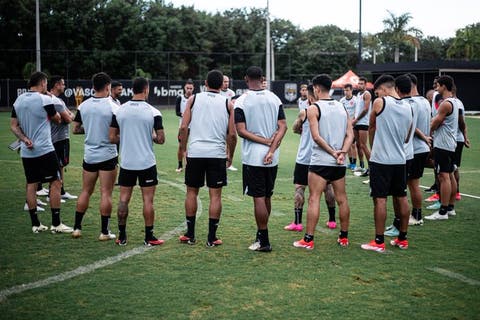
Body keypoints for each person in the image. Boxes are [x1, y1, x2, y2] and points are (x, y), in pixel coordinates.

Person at [293, 74, 353, 250]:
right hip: (339, 161)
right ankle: (343, 237)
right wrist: (342, 152)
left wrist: (333, 153)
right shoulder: (342, 106)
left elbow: (316, 137)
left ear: (317, 89)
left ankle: (308, 239)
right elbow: (350, 135)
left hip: (321, 160)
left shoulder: (314, 108)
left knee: (314, 199)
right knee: (342, 199)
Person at [178, 70, 237, 247]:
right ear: (222, 85)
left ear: (205, 83)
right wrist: (230, 155)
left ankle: (190, 234)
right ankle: (211, 237)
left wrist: (183, 150)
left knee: (191, 192)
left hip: (195, 152)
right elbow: (232, 134)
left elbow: (183, 128)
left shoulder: (193, 99)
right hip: (217, 154)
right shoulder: (228, 103)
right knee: (215, 196)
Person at [10, 71, 73, 233]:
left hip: (27, 150)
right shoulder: (45, 99)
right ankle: (56, 223)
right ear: (43, 83)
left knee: (31, 184)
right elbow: (58, 119)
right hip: (45, 148)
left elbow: (13, 126)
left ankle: (35, 224)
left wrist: (24, 139)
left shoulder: (18, 100)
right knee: (56, 182)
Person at [235, 66, 287, 252]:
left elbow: (241, 131)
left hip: (253, 157)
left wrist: (265, 142)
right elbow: (283, 127)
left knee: (258, 198)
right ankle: (260, 233)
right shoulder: (274, 98)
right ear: (262, 78)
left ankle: (263, 241)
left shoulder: (241, 101)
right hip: (272, 156)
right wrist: (271, 148)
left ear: (246, 78)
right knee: (267, 196)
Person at [109, 77, 165, 246]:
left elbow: (112, 137)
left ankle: (122, 236)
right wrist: (152, 135)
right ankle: (149, 237)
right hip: (146, 162)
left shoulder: (120, 110)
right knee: (148, 200)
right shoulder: (153, 112)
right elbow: (161, 139)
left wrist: (126, 136)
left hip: (127, 162)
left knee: (124, 199)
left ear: (132, 90)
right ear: (146, 89)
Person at [361, 74, 413, 253]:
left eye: (377, 92)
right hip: (400, 159)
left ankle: (379, 241)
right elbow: (407, 136)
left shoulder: (380, 103)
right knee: (401, 197)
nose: (377, 96)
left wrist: (374, 146)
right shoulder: (408, 106)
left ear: (383, 89)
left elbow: (371, 126)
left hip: (381, 160)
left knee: (380, 199)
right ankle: (402, 239)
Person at [71, 72, 119, 240]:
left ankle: (77, 228)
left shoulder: (83, 106)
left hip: (89, 155)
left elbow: (75, 129)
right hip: (107, 154)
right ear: (108, 87)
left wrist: (90, 129)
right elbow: (117, 132)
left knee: (86, 191)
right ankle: (104, 232)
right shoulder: (114, 107)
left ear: (93, 87)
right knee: (106, 193)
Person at [284, 84, 337, 232]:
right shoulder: (328, 111)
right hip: (324, 156)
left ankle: (298, 222)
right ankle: (332, 220)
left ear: (310, 96)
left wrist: (299, 124)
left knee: (300, 188)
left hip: (304, 157)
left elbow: (295, 128)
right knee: (327, 187)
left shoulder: (305, 112)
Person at [424, 75, 459, 221]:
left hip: (443, 144)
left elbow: (435, 122)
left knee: (443, 176)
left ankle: (443, 211)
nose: (436, 88)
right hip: (450, 143)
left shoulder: (446, 103)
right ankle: (450, 207)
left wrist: (427, 135)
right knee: (449, 175)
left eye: (438, 85)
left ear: (444, 86)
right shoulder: (455, 101)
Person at [407, 73, 432, 226]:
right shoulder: (424, 101)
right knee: (413, 183)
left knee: (413, 184)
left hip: (415, 147)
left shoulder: (411, 102)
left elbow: (411, 125)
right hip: (422, 147)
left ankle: (417, 216)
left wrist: (423, 138)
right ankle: (416, 214)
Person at [48, 75, 77, 200]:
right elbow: (69, 119)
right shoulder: (55, 101)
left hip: (59, 138)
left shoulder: (58, 100)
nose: (64, 86)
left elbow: (70, 115)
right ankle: (52, 193)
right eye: (63, 84)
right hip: (58, 138)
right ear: (57, 85)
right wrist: (70, 115)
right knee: (57, 166)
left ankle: (61, 191)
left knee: (60, 165)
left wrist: (69, 115)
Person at [453, 88, 470, 201]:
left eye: (437, 85)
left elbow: (461, 121)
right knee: (452, 168)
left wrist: (465, 137)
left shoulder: (456, 103)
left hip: (455, 140)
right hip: (455, 139)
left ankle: (456, 192)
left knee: (452, 168)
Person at [352, 77, 372, 177]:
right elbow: (357, 109)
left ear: (365, 85)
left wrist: (356, 119)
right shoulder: (358, 94)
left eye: (362, 84)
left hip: (363, 123)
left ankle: (372, 167)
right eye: (358, 83)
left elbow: (365, 110)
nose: (359, 85)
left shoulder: (366, 94)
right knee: (358, 145)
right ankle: (362, 165)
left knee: (364, 145)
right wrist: (353, 119)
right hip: (356, 122)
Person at [175, 79, 194, 173]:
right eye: (187, 88)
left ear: (193, 88)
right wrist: (185, 115)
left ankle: (190, 165)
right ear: (184, 88)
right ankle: (180, 165)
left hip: (194, 126)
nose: (189, 90)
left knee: (193, 145)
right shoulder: (180, 98)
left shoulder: (195, 98)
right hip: (183, 126)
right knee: (181, 146)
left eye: (191, 88)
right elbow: (177, 112)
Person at [220, 75, 238, 172]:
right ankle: (220, 161)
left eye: (227, 82)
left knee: (230, 142)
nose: (226, 83)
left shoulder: (231, 93)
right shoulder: (217, 92)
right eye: (224, 81)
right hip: (219, 122)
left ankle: (229, 163)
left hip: (229, 121)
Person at [339, 83, 358, 170]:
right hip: (344, 125)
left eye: (347, 90)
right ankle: (350, 163)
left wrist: (352, 122)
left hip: (353, 125)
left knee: (353, 145)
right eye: (345, 90)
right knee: (347, 144)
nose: (346, 92)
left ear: (351, 90)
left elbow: (356, 113)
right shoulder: (342, 100)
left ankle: (354, 163)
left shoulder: (355, 100)